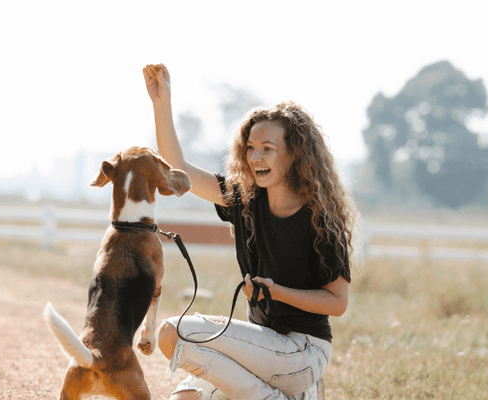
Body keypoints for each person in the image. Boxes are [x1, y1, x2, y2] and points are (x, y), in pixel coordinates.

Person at [143, 63, 356, 400]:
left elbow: (338, 302)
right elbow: (178, 170)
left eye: (268, 148)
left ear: (294, 155)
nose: (256, 156)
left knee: (173, 333)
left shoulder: (320, 218)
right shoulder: (244, 199)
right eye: (250, 148)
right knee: (183, 399)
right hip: (258, 345)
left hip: (302, 351)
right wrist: (161, 104)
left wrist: (277, 292)